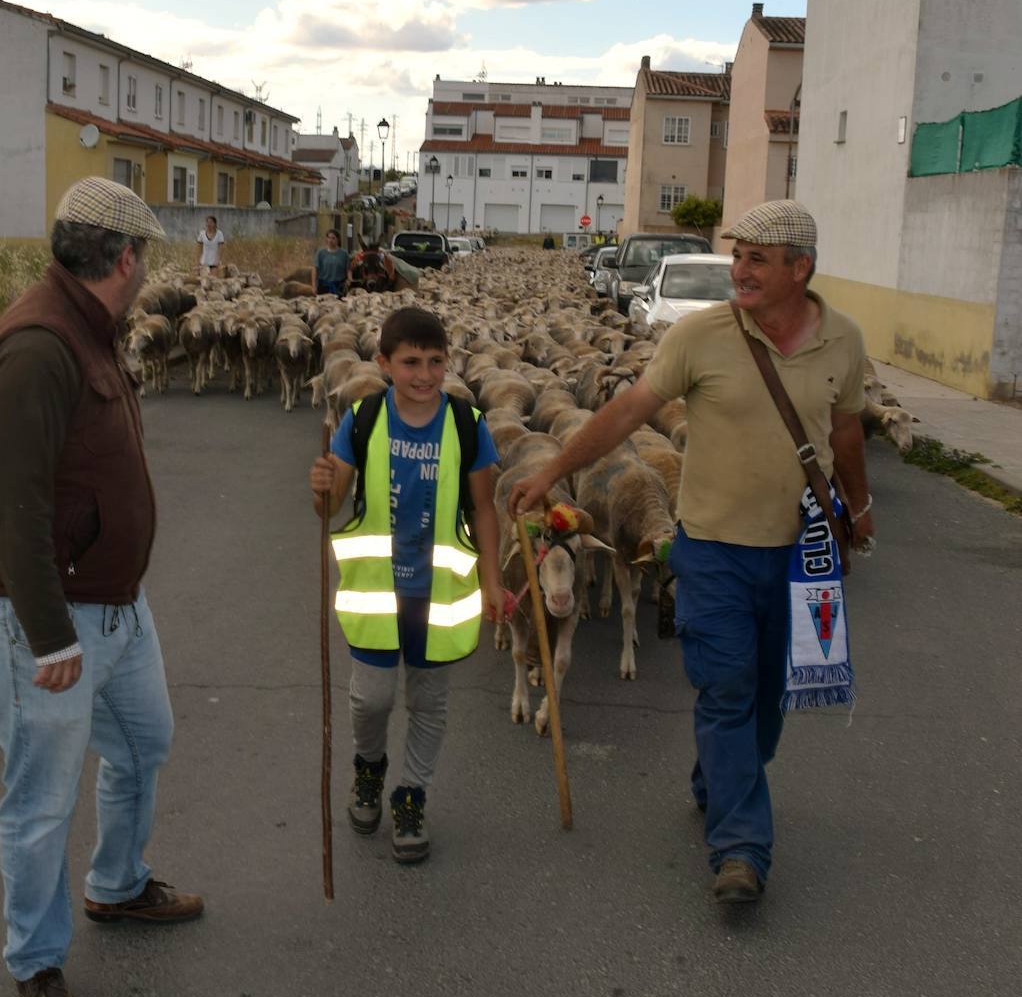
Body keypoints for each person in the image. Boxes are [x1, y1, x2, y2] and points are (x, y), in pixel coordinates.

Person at [509, 200, 873, 904]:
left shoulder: (845, 341)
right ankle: (740, 848)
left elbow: (849, 430)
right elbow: (624, 413)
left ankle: (717, 775)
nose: (739, 270)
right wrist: (552, 470)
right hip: (710, 550)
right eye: (736, 256)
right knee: (727, 686)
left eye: (756, 259)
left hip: (798, 555)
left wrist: (857, 508)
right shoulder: (700, 336)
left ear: (802, 268)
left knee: (768, 701)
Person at [0, 177, 202, 997]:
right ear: (126, 258)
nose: (147, 274)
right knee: (40, 795)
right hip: (52, 618)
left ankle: (117, 882)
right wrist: (48, 633)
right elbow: (11, 505)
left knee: (145, 741)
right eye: (148, 258)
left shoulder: (88, 331)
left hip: (115, 607)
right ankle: (34, 962)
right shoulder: (38, 344)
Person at [308, 306, 504, 864]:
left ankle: (411, 794)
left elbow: (484, 508)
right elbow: (330, 504)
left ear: (449, 363)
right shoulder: (363, 420)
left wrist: (491, 579)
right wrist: (320, 486)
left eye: (435, 362)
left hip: (438, 594)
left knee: (429, 702)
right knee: (372, 700)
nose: (424, 375)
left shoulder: (468, 426)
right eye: (411, 362)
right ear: (384, 363)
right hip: (376, 590)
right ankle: (369, 769)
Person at [310, 228, 351, 296]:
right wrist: (314, 286)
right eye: (329, 238)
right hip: (324, 287)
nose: (330, 240)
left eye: (333, 238)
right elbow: (315, 269)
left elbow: (348, 269)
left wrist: (349, 279)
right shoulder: (320, 253)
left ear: (338, 240)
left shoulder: (344, 254)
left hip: (339, 287)